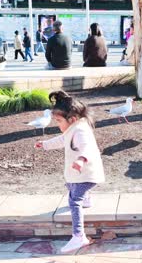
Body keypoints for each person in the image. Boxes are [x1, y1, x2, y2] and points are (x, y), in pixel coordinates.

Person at [35, 90, 105, 253]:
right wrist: (45, 144)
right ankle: (86, 199)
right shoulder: (74, 128)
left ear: (72, 119)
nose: (58, 124)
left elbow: (86, 147)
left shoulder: (80, 131)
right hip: (79, 173)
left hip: (86, 173)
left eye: (59, 121)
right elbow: (62, 140)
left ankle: (79, 236)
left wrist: (80, 160)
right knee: (70, 184)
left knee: (74, 200)